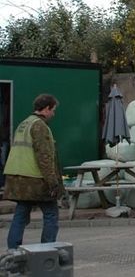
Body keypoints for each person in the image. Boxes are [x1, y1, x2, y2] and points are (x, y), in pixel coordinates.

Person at [4, 94, 64, 249]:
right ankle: (46, 250)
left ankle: (13, 251)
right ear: (46, 109)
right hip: (35, 179)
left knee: (21, 215)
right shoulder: (39, 126)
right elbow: (44, 157)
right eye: (53, 110)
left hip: (18, 179)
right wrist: (53, 183)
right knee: (51, 214)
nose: (54, 114)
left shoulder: (24, 124)